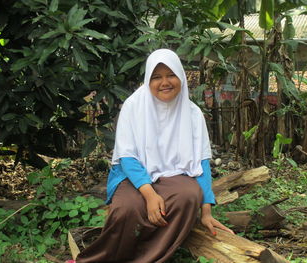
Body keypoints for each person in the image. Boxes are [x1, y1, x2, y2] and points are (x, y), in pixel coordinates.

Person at [71, 48, 233, 263]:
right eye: (156, 77)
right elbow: (127, 157)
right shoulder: (133, 106)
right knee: (127, 209)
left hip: (174, 177)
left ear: (181, 77)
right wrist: (150, 196)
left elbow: (201, 163)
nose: (164, 82)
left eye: (171, 75)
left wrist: (206, 213)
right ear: (148, 80)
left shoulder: (193, 114)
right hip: (132, 176)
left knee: (188, 195)